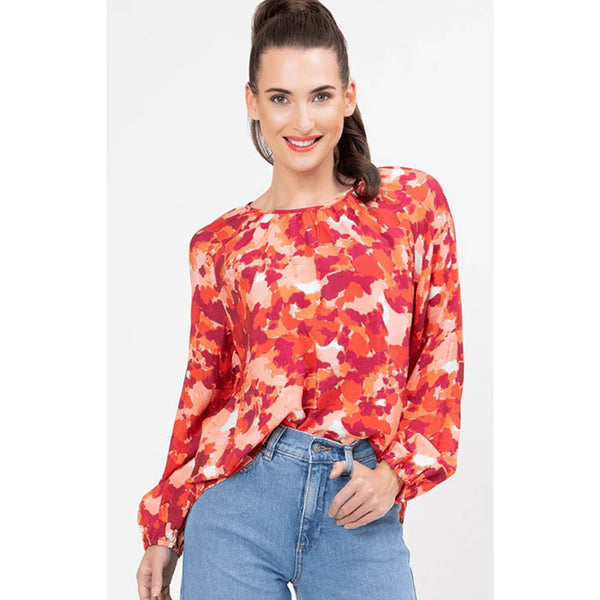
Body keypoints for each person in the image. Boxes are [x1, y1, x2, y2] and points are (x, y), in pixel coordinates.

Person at [136, 1, 464, 599]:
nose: (302, 119)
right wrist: (165, 528)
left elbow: (440, 355)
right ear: (252, 102)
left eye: (320, 95)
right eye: (281, 98)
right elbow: (203, 389)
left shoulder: (411, 205)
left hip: (357, 504)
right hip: (237, 509)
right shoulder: (220, 245)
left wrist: (397, 474)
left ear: (349, 96)